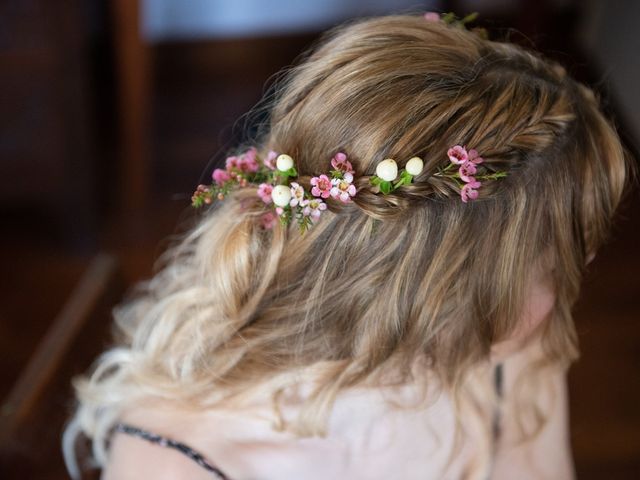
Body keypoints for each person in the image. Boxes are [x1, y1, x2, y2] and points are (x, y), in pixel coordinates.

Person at [63, 13, 632, 480]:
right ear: (433, 299)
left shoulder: (509, 352)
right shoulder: (177, 463)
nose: (582, 267)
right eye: (552, 262)